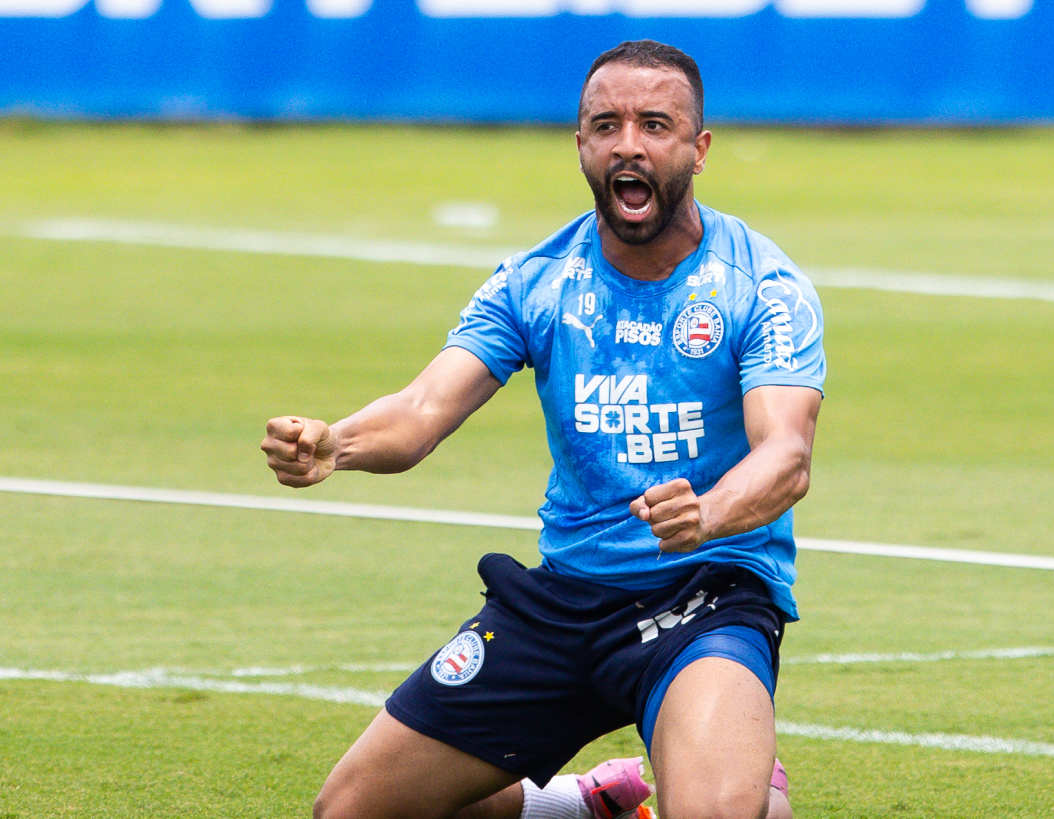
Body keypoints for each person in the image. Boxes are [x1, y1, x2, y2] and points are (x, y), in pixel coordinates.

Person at [261, 39, 824, 819]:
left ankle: (749, 787)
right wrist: (337, 443)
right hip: (561, 602)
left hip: (705, 596)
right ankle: (569, 804)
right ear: (581, 144)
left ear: (698, 150)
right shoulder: (537, 280)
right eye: (606, 125)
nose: (628, 145)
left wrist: (709, 512)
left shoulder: (762, 286)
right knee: (353, 810)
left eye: (655, 125)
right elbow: (422, 409)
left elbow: (786, 455)